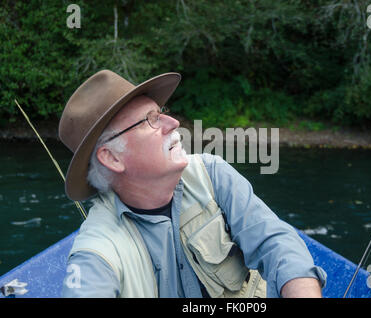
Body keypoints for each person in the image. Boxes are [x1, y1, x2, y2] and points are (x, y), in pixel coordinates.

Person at [59, 70, 326, 298]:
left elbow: (275, 241)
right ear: (112, 157)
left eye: (161, 112)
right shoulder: (97, 250)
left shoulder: (211, 172)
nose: (173, 123)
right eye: (150, 120)